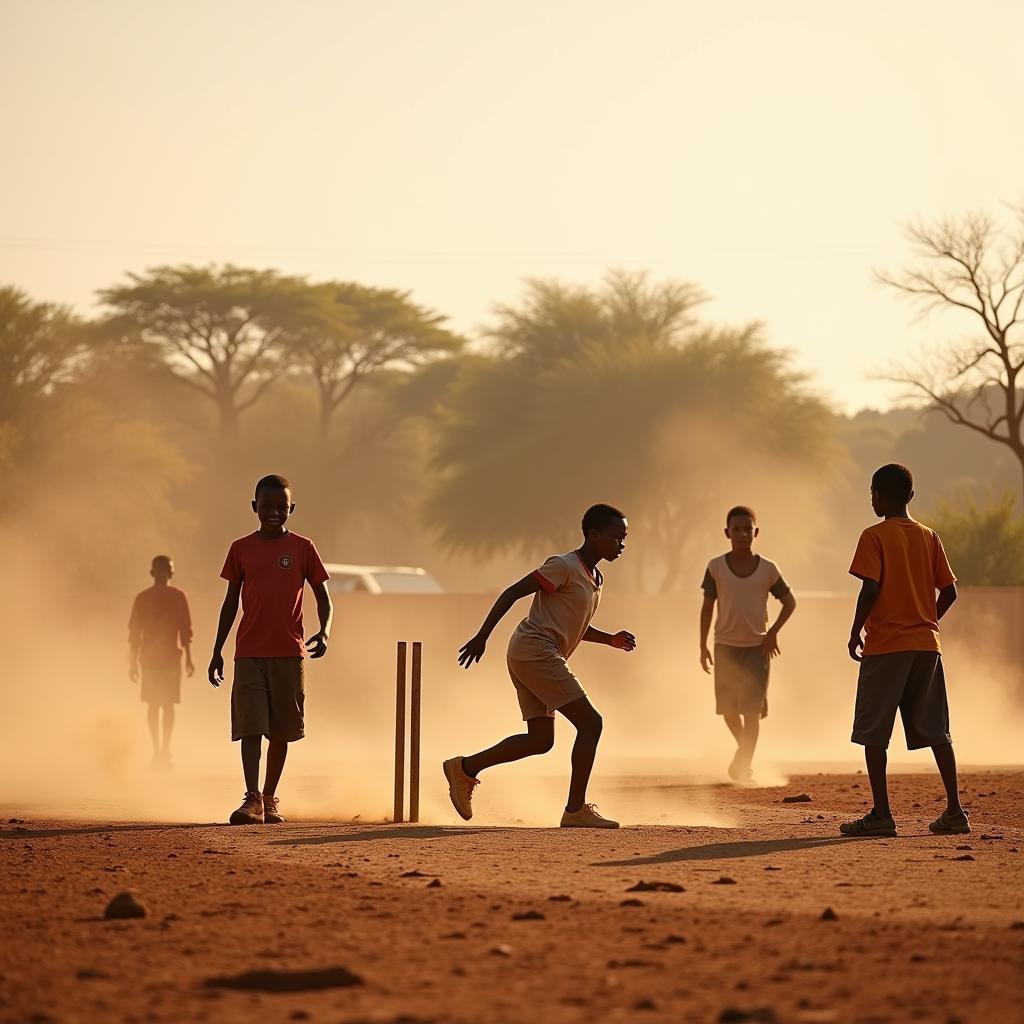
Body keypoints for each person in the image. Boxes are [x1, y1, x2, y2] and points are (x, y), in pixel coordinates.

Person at [443, 503, 636, 828]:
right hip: (535, 651)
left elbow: (572, 625)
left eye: (625, 538)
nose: (622, 544)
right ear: (593, 535)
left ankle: (464, 769)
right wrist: (482, 636)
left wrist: (610, 640)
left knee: (540, 740)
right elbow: (512, 592)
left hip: (533, 654)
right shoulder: (564, 566)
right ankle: (575, 810)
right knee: (591, 724)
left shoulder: (595, 578)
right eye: (616, 537)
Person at [841, 463, 968, 837]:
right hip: (926, 645)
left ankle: (881, 814)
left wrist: (854, 632)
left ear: (877, 497)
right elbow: (950, 591)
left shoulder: (874, 536)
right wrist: (927, 619)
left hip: (886, 647)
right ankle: (955, 811)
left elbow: (870, 588)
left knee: (873, 732)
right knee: (936, 730)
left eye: (872, 493)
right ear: (911, 496)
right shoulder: (929, 536)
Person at [208, 475, 333, 826]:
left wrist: (325, 632)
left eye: (281, 507)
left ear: (291, 509)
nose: (274, 513)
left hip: (289, 653)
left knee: (281, 730)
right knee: (250, 727)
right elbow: (230, 601)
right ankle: (251, 800)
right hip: (248, 652)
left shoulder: (304, 548)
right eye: (267, 507)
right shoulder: (240, 549)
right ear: (254, 508)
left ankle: (269, 797)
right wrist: (217, 649)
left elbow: (324, 599)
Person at [699, 506, 796, 785]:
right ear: (727, 532)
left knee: (751, 711)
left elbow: (789, 602)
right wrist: (703, 645)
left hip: (758, 648)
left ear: (756, 532)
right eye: (736, 529)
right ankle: (745, 751)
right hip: (725, 647)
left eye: (747, 529)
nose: (742, 534)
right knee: (729, 711)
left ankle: (745, 764)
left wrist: (773, 633)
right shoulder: (715, 567)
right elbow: (707, 607)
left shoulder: (768, 569)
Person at [128, 555, 194, 770]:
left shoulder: (146, 597)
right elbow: (136, 633)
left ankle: (162, 749)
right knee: (160, 705)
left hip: (161, 658)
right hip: (156, 658)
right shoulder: (174, 596)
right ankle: (160, 750)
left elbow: (184, 630)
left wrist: (189, 658)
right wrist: (132, 661)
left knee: (161, 705)